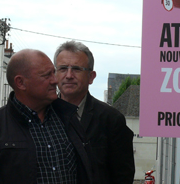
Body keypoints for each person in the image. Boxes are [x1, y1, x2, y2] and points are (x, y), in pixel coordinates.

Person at [0, 49, 93, 183]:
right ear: (20, 83)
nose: (55, 80)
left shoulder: (68, 119)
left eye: (54, 73)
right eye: (46, 75)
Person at [54, 41, 135, 184]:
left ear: (91, 77)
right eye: (62, 68)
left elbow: (123, 176)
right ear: (54, 74)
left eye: (77, 69)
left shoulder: (111, 120)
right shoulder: (42, 115)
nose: (69, 75)